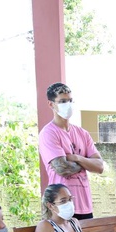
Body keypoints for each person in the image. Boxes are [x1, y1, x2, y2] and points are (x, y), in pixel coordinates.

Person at [37, 82, 104, 220]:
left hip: (84, 204)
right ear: (51, 104)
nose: (67, 104)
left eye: (70, 100)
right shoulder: (49, 133)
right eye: (62, 101)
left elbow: (99, 167)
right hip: (61, 206)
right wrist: (87, 163)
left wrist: (77, 158)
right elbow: (62, 168)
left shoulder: (82, 133)